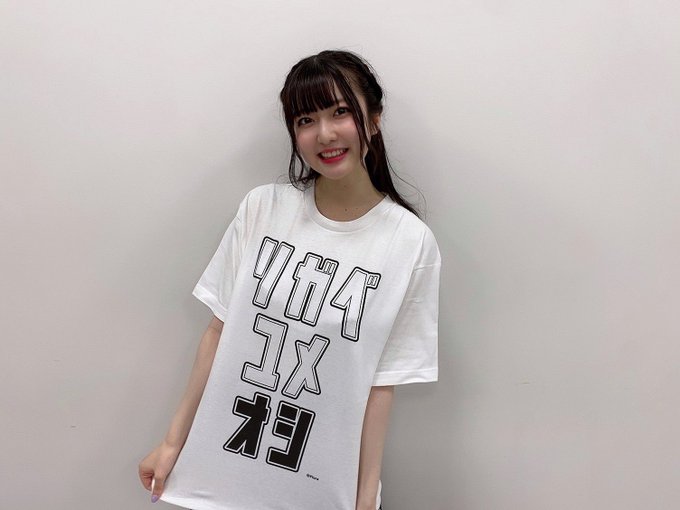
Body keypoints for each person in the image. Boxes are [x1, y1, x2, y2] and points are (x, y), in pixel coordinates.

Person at [138, 49, 441, 510]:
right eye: (305, 120)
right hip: (222, 478)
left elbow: (380, 384)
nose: (325, 134)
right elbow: (219, 331)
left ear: (373, 119)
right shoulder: (263, 209)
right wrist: (171, 443)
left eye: (340, 112)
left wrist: (365, 500)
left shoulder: (409, 243)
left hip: (318, 492)